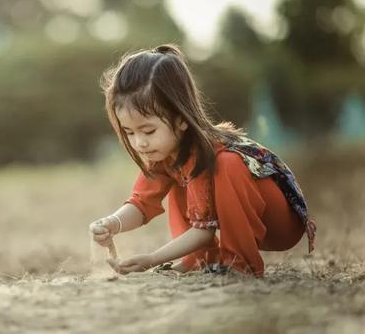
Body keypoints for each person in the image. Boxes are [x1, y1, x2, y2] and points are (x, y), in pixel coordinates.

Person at [88, 44, 316, 277]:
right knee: (180, 181)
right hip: (241, 220)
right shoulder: (162, 154)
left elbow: (203, 232)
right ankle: (202, 260)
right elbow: (141, 204)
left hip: (279, 223)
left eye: (148, 131)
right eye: (129, 132)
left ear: (181, 119)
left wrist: (152, 259)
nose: (139, 143)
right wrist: (112, 223)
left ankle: (240, 264)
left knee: (228, 164)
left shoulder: (206, 152)